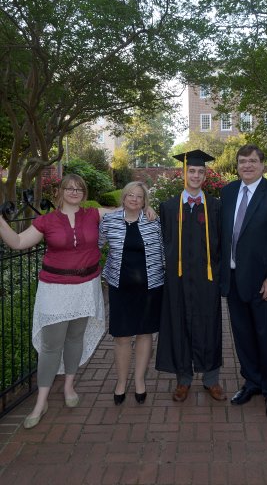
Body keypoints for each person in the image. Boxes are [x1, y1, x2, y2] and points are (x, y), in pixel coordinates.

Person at [0, 174, 107, 429]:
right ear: (60, 192)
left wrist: (145, 206)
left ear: (84, 192)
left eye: (79, 188)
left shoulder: (94, 214)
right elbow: (17, 242)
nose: (74, 192)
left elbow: (127, 207)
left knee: (74, 338)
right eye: (69, 188)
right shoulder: (46, 220)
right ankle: (41, 400)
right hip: (55, 289)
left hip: (86, 286)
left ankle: (69, 385)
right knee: (51, 345)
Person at [220, 144, 267, 420]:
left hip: (265, 284)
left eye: (253, 161)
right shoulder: (228, 193)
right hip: (234, 280)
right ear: (237, 165)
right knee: (244, 338)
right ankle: (252, 382)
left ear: (263, 165)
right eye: (242, 161)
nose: (247, 166)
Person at [155, 149, 226, 402]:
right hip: (178, 279)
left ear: (206, 175)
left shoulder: (216, 207)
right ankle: (183, 380)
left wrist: (220, 276)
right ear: (183, 173)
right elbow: (160, 242)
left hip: (208, 279)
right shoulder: (168, 207)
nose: (195, 175)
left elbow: (223, 244)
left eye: (200, 171)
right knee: (179, 324)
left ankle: (211, 379)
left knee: (210, 326)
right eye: (191, 171)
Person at [99, 182, 164, 405]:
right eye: (130, 195)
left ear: (145, 200)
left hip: (150, 287)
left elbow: (165, 250)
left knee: (145, 334)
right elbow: (97, 245)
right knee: (122, 336)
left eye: (139, 196)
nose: (134, 199)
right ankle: (120, 382)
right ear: (123, 198)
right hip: (120, 287)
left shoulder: (154, 221)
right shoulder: (110, 220)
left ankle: (139, 381)